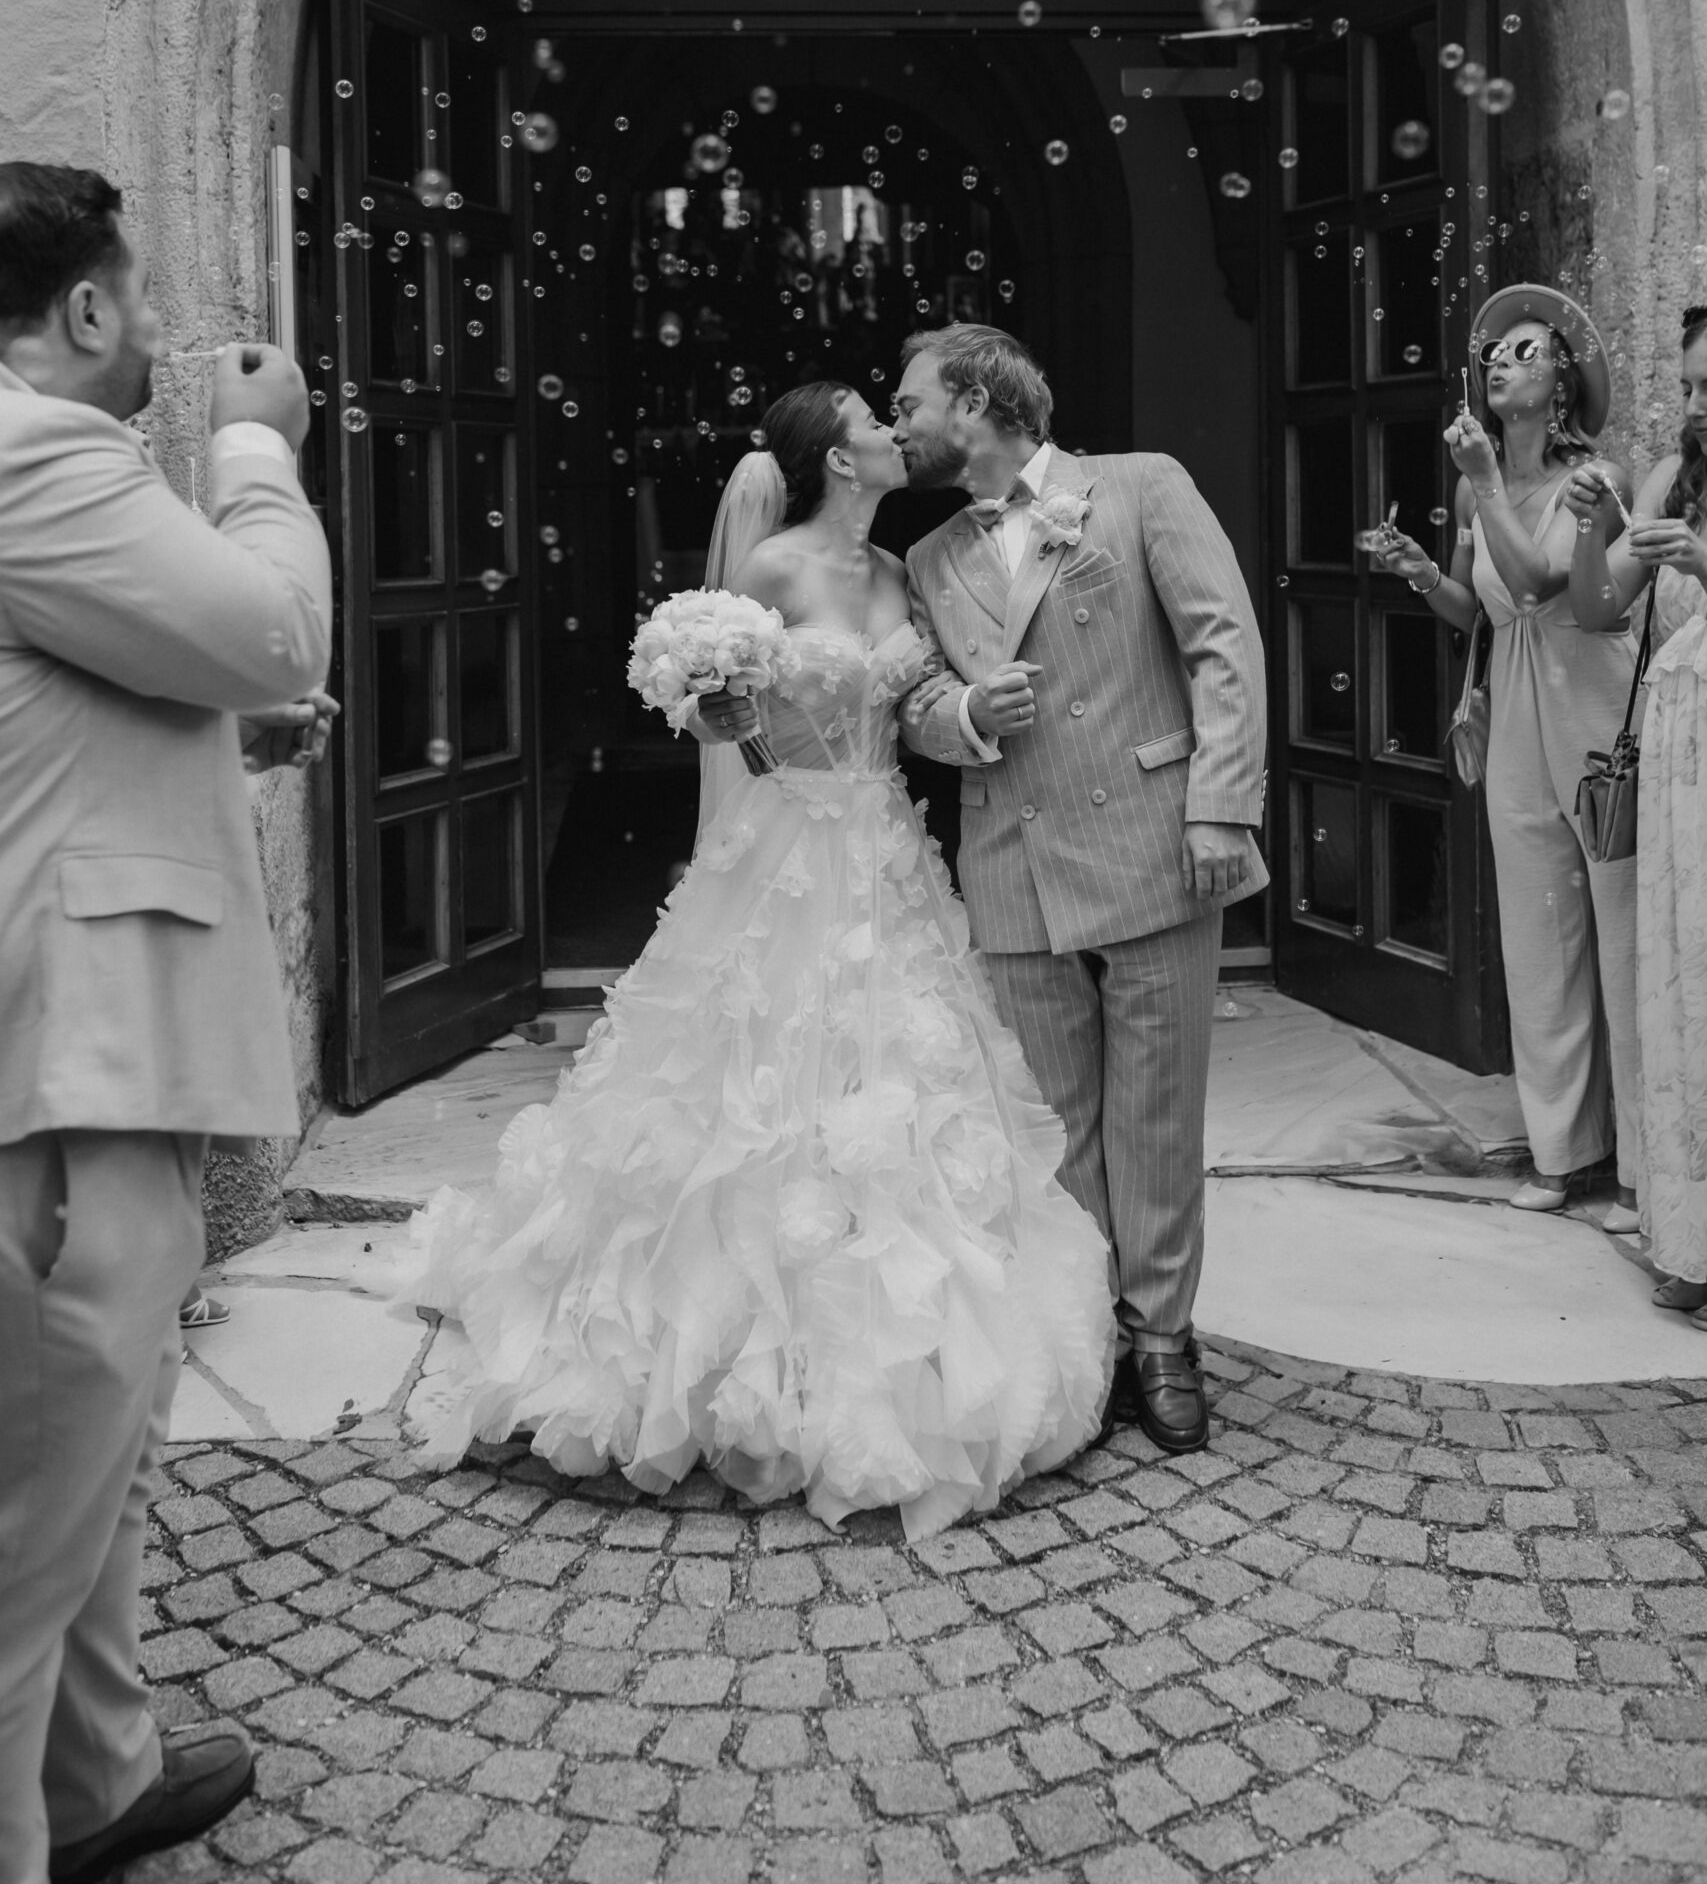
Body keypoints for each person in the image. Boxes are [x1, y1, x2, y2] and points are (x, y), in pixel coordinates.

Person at [401, 383, 1114, 1540]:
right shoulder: (772, 567)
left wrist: (975, 709)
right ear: (836, 456)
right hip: (787, 848)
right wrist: (712, 702)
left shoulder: (901, 571)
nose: (894, 430)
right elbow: (717, 714)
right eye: (873, 421)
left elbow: (912, 703)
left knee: (905, 1079)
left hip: (885, 847)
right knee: (749, 1082)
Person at [0, 163, 334, 1884]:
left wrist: (214, 730)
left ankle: (96, 1782)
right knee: (28, 1507)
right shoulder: (34, 453)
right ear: (83, 307)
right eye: (140, 298)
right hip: (61, 1072)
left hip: (84, 1044)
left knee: (95, 1451)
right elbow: (273, 631)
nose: (160, 335)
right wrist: (258, 455)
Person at [891, 325, 1268, 1455]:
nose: (896, 423)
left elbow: (1223, 644)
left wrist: (1220, 803)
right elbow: (912, 699)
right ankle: (1086, 1334)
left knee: (1157, 1112)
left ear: (974, 399)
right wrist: (963, 715)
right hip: (1012, 860)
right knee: (1054, 1125)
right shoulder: (927, 557)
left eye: (908, 402)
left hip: (1155, 842)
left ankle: (1162, 1337)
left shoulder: (1141, 487)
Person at [1373, 285, 1639, 1220]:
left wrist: (1486, 480)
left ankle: (1645, 1166)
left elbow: (1536, 587)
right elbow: (1480, 609)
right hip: (1518, 704)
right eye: (1492, 352)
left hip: (1594, 705)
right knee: (1536, 932)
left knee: (1618, 930)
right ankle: (1564, 1152)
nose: (1498, 361)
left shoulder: (1597, 478)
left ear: (1562, 381)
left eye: (1525, 351)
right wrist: (1419, 573)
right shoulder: (1467, 485)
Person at [1566, 304, 1707, 1315]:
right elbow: (1596, 607)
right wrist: (1592, 525)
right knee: (1684, 983)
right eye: (1689, 383)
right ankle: (1694, 1235)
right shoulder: (1667, 480)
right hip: (1682, 760)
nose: (1694, 403)